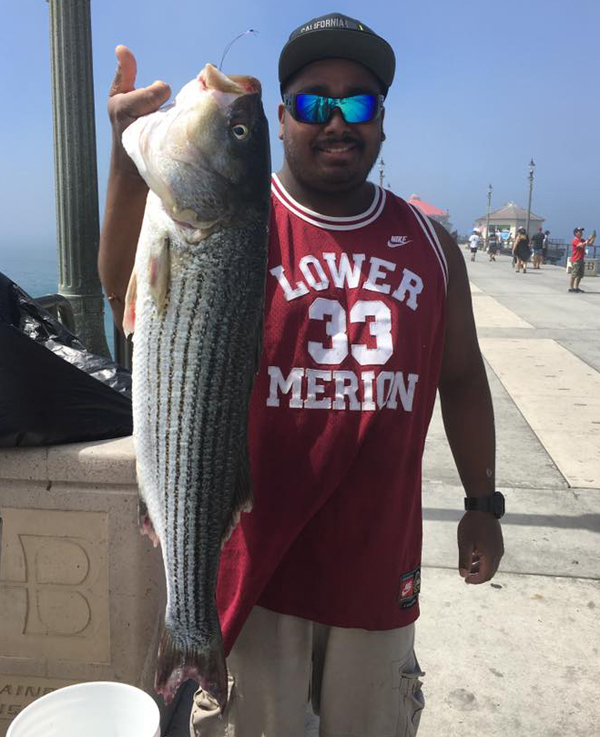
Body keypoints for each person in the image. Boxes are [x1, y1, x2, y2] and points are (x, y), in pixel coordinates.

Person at [98, 13, 504, 737]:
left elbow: (465, 379)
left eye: (359, 104)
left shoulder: (435, 246)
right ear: (283, 119)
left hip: (379, 567)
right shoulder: (242, 218)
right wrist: (128, 165)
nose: (338, 121)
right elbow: (122, 286)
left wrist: (483, 502)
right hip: (256, 573)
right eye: (316, 102)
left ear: (382, 124)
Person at [569, 226, 596, 293]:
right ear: (576, 233)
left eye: (581, 232)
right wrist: (588, 239)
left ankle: (576, 287)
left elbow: (590, 244)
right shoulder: (575, 240)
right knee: (574, 274)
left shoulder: (582, 240)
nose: (581, 233)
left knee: (580, 275)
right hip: (576, 259)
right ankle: (571, 288)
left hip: (581, 259)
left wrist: (593, 238)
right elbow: (581, 245)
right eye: (579, 232)